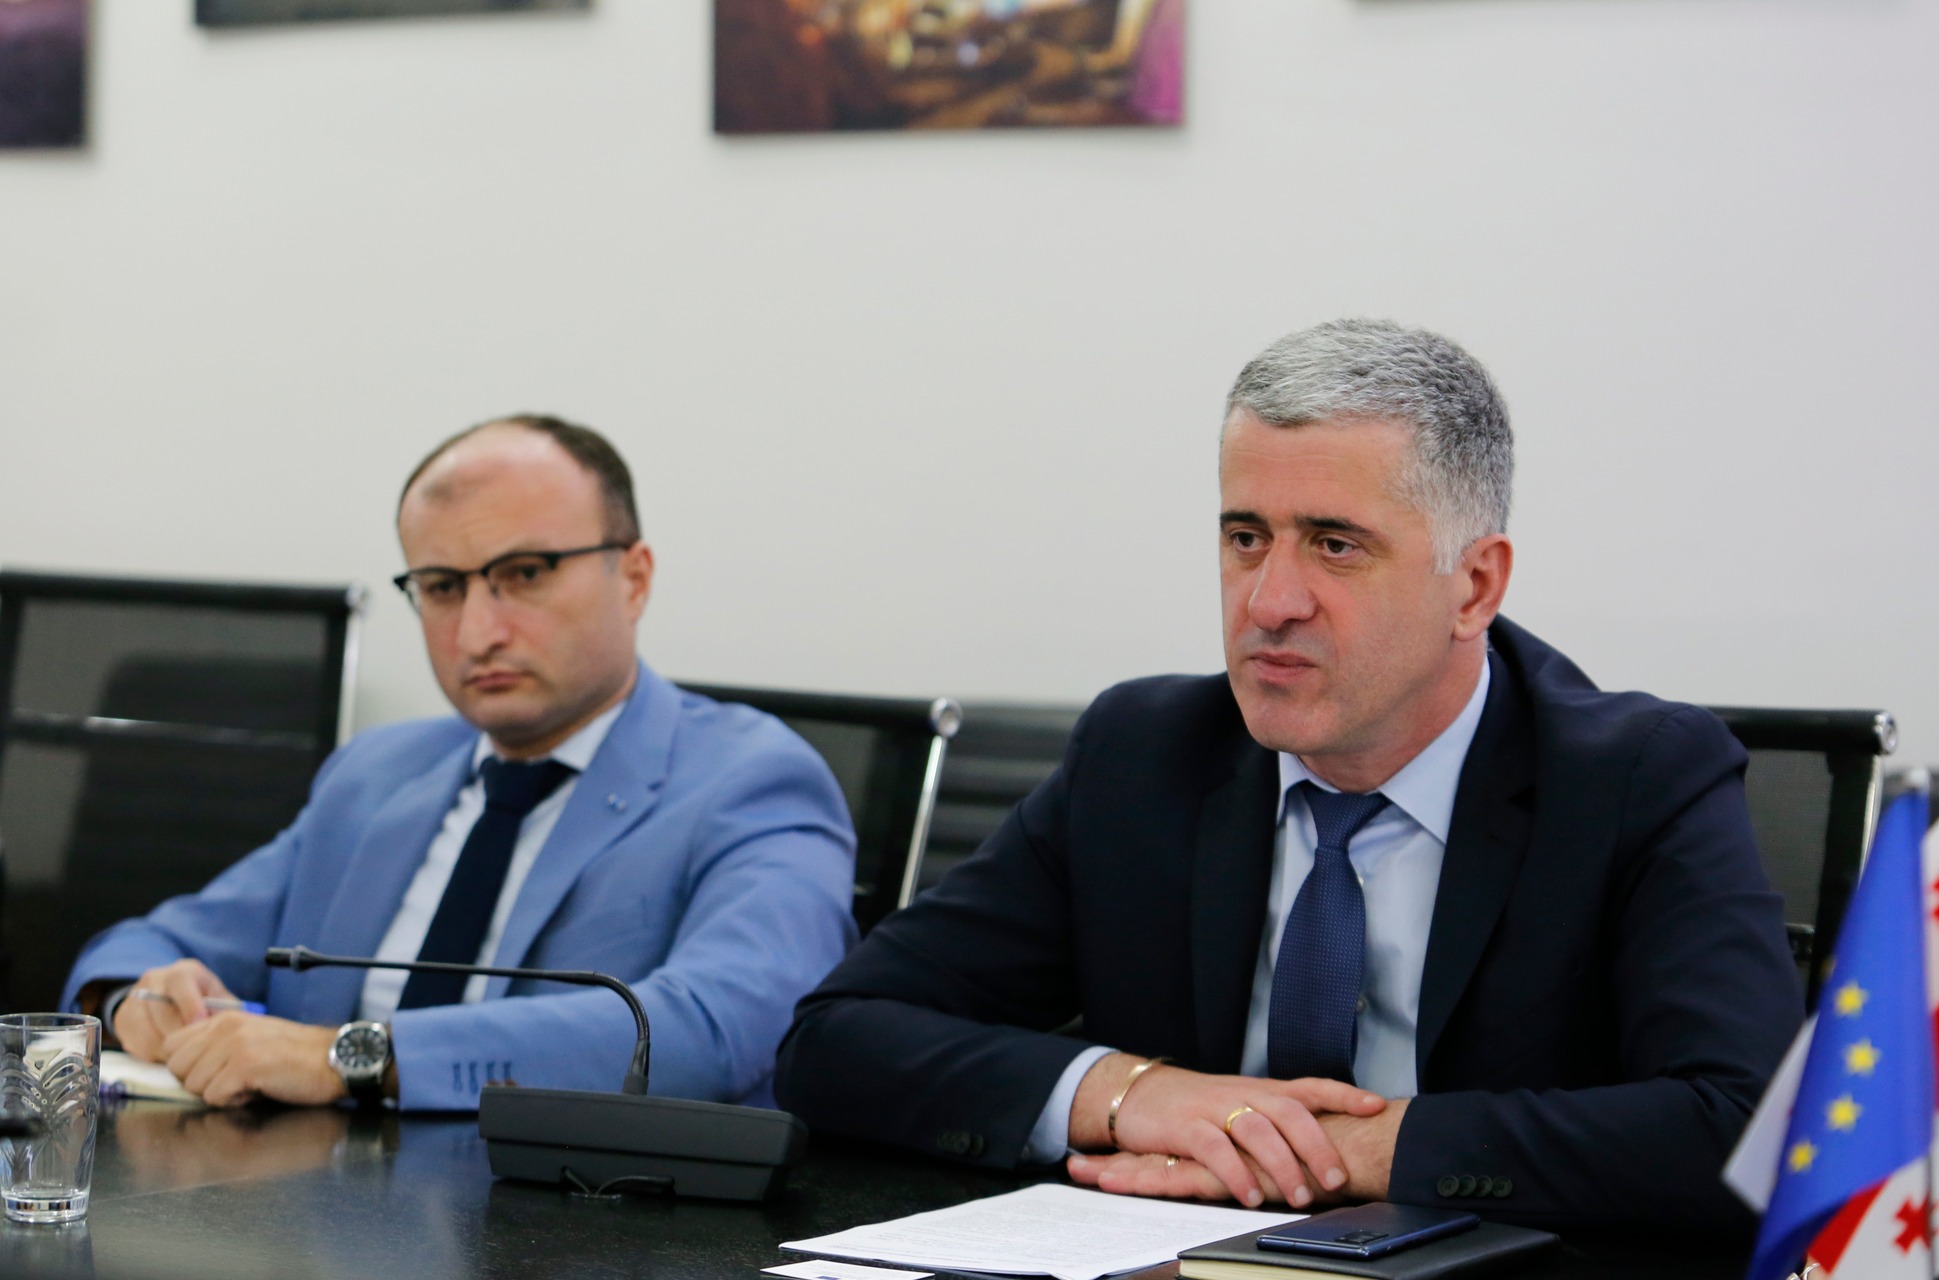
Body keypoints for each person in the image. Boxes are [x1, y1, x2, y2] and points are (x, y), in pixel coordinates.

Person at [775, 319, 1806, 1234]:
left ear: (1474, 584)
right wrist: (1135, 1094)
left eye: (1334, 545)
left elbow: (1750, 1127)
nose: (1269, 601)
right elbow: (836, 1040)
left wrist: (1340, 1148)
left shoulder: (1634, 779)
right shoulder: (1143, 753)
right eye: (1245, 537)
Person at [64, 415, 858, 1111]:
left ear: (635, 578)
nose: (478, 633)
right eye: (443, 587)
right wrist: (140, 1000)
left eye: (526, 574)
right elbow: (141, 946)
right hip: (301, 1203)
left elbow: (715, 1030)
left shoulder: (754, 782)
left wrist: (352, 1059)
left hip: (559, 1215)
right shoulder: (376, 774)